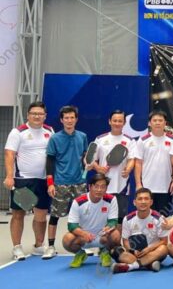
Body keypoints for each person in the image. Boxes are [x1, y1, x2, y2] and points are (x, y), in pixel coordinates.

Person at [3, 101, 54, 260]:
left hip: (43, 180)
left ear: (45, 116)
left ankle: (38, 246)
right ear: (28, 115)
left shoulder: (50, 131)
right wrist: (9, 176)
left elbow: (52, 155)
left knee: (41, 215)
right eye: (34, 113)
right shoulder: (18, 132)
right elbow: (9, 154)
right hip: (22, 179)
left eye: (40, 114)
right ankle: (17, 247)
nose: (37, 116)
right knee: (19, 214)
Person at [44, 105, 89, 259]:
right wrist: (50, 183)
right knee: (55, 215)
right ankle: (50, 246)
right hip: (60, 183)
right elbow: (50, 161)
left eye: (72, 117)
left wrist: (86, 169)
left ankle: (84, 244)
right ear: (62, 120)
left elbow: (84, 158)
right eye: (66, 118)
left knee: (83, 216)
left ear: (76, 119)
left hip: (79, 183)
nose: (69, 120)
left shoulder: (82, 136)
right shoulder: (55, 138)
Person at [63, 173, 120, 268]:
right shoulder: (78, 201)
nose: (99, 190)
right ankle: (80, 254)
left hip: (103, 236)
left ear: (106, 188)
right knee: (67, 239)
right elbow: (71, 225)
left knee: (116, 235)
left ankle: (105, 252)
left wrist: (108, 227)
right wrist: (83, 233)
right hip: (83, 238)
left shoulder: (111, 199)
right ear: (90, 187)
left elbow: (113, 221)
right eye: (96, 186)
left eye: (102, 187)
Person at [92, 110, 136, 228]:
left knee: (119, 220)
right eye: (115, 120)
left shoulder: (130, 141)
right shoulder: (100, 139)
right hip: (102, 186)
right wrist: (98, 168)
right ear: (109, 121)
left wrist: (128, 169)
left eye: (120, 121)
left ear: (124, 123)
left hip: (121, 186)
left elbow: (132, 159)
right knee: (101, 217)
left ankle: (117, 239)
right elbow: (92, 159)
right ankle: (101, 239)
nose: (117, 123)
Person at [111, 188, 169, 273]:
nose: (143, 202)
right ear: (134, 202)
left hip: (152, 252)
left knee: (164, 249)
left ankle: (132, 266)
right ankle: (148, 265)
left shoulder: (158, 218)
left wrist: (149, 249)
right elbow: (125, 241)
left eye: (146, 199)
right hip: (134, 254)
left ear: (151, 202)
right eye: (140, 199)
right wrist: (132, 250)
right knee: (115, 251)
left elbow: (164, 241)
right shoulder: (127, 219)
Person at [134, 110, 173, 215]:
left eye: (160, 120)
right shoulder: (142, 140)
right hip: (147, 186)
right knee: (147, 217)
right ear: (149, 123)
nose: (157, 123)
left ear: (165, 123)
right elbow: (138, 163)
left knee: (163, 218)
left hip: (166, 186)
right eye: (155, 120)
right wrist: (138, 184)